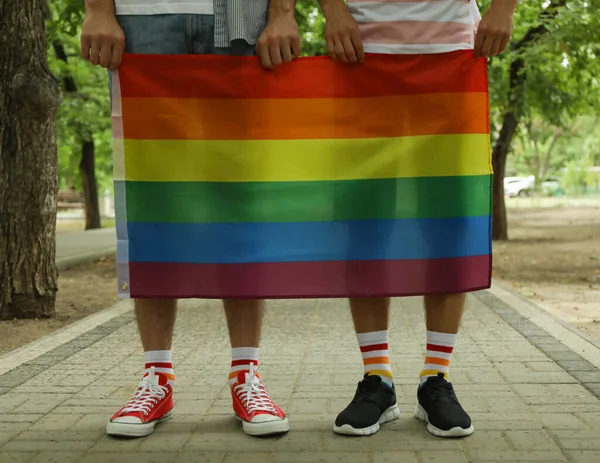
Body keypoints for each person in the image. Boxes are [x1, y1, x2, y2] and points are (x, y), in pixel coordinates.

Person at [80, 0, 301, 438]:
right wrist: (97, 9)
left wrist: (281, 12)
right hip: (144, 19)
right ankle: (157, 379)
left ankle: (246, 375)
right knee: (153, 199)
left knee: (239, 200)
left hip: (241, 18)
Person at [314, 0, 517, 437]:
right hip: (360, 54)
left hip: (453, 56)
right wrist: (331, 8)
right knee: (365, 221)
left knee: (446, 223)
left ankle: (436, 379)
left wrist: (504, 7)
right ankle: (377, 380)